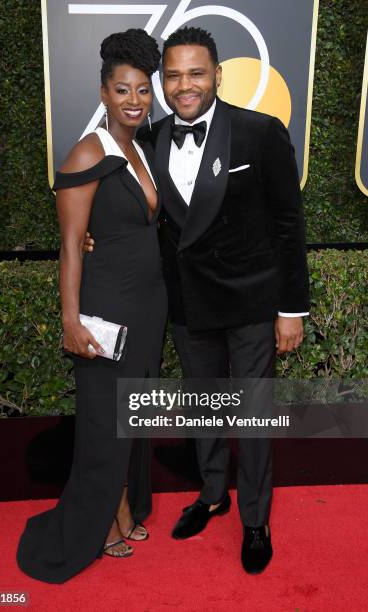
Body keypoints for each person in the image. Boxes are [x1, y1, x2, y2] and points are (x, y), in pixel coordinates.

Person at [84, 26, 310, 574]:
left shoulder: (260, 132)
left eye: (197, 73)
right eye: (174, 75)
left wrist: (291, 310)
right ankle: (213, 496)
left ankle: (254, 520)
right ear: (162, 81)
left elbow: (287, 225)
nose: (185, 85)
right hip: (187, 307)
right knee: (205, 409)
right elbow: (126, 205)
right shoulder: (150, 138)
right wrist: (94, 235)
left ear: (217, 76)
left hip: (252, 303)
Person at [16, 29, 166, 584]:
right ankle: (97, 522)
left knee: (133, 418)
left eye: (143, 90)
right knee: (105, 422)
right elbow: (71, 244)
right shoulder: (89, 150)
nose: (134, 100)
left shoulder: (140, 151)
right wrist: (69, 320)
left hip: (150, 307)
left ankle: (124, 506)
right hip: (106, 313)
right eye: (122, 89)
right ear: (103, 92)